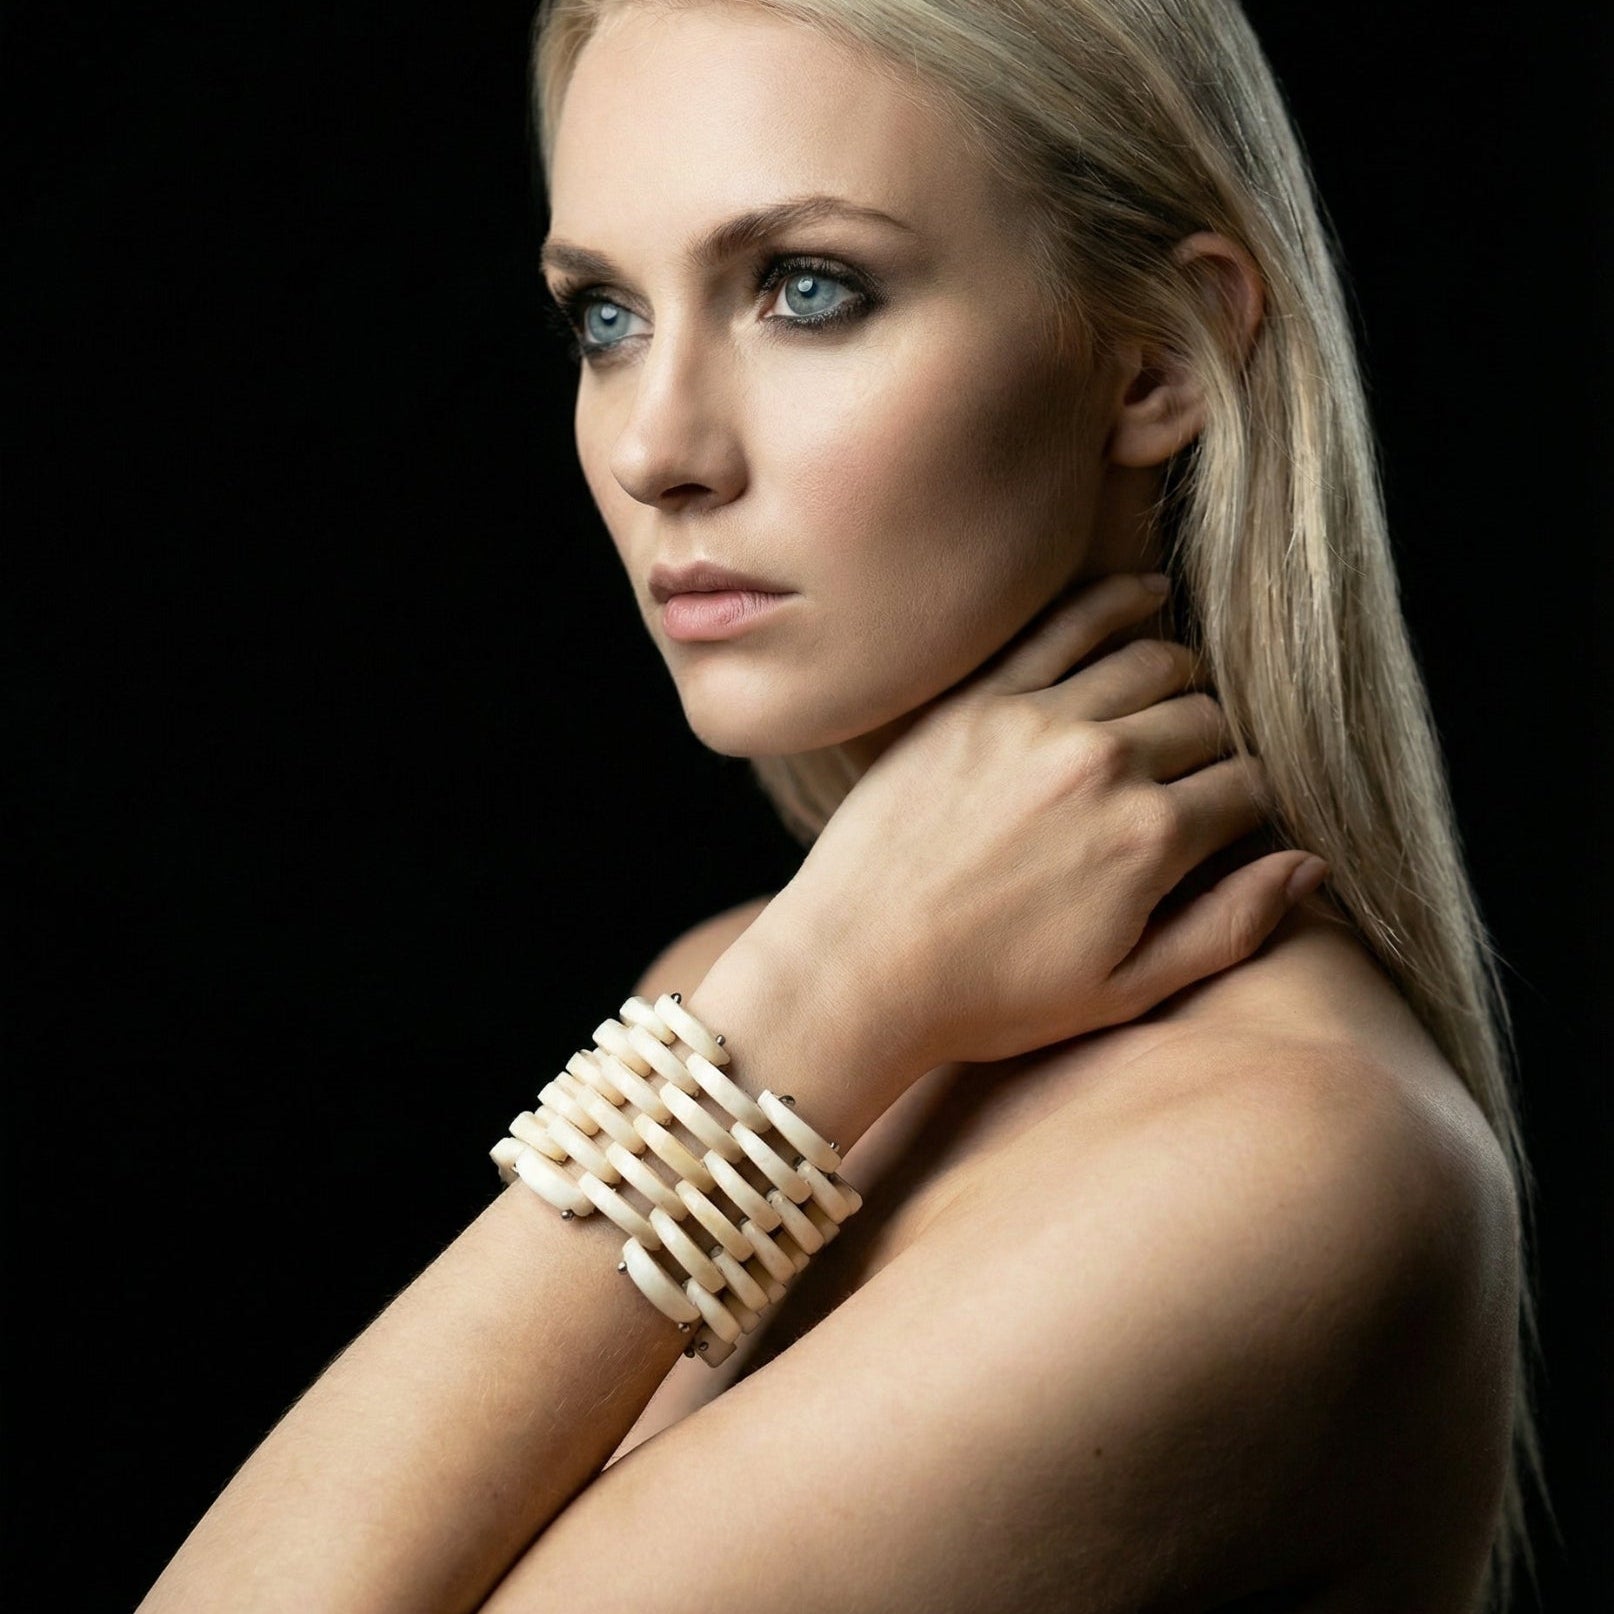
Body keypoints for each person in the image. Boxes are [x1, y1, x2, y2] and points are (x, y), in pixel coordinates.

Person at [137, 0, 1548, 1609]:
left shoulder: (1289, 1160)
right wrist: (811, 994)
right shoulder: (754, 985)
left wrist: (810, 1002)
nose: (657, 446)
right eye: (604, 317)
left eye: (807, 289)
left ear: (1157, 354)